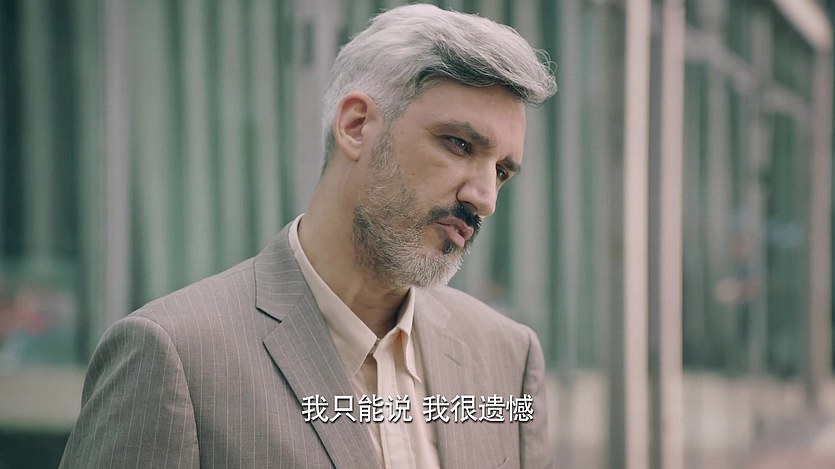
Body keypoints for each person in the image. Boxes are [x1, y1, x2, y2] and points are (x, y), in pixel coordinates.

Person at [59, 4, 557, 468]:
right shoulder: (175, 355)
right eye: (460, 144)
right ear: (356, 125)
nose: (484, 197)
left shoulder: (508, 357)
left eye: (502, 172)